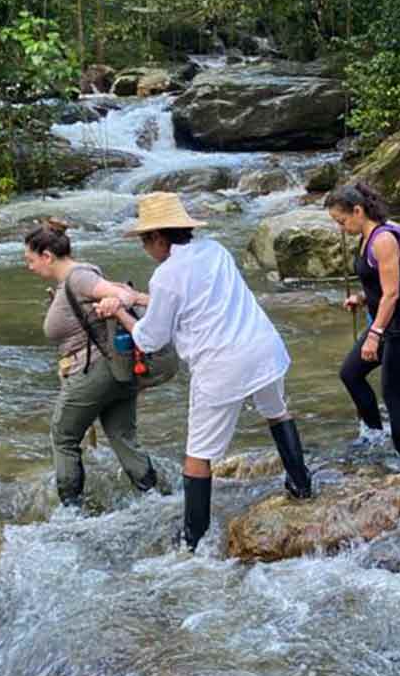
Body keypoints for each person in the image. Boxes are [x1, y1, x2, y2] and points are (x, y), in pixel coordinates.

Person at [94, 192, 312, 553]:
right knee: (277, 412)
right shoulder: (215, 250)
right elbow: (192, 298)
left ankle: (192, 542)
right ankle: (301, 486)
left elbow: (149, 339)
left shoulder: (166, 275)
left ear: (159, 237)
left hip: (222, 364)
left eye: (145, 241)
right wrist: (139, 300)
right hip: (263, 348)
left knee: (198, 455)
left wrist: (119, 310)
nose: (145, 249)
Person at [23, 218, 158, 508]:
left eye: (30, 260)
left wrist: (116, 300)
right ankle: (156, 498)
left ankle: (71, 511)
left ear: (47, 256)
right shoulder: (70, 281)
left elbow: (122, 294)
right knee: (122, 436)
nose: (29, 267)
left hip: (95, 372)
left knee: (63, 436)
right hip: (115, 370)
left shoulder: (78, 277)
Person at [325, 182, 400, 455]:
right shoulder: (365, 239)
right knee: (350, 373)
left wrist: (374, 335)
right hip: (386, 323)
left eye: (342, 220)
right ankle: (373, 434)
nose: (341, 228)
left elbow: (392, 294)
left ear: (358, 211)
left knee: (393, 394)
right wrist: (361, 298)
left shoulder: (383, 240)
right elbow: (380, 285)